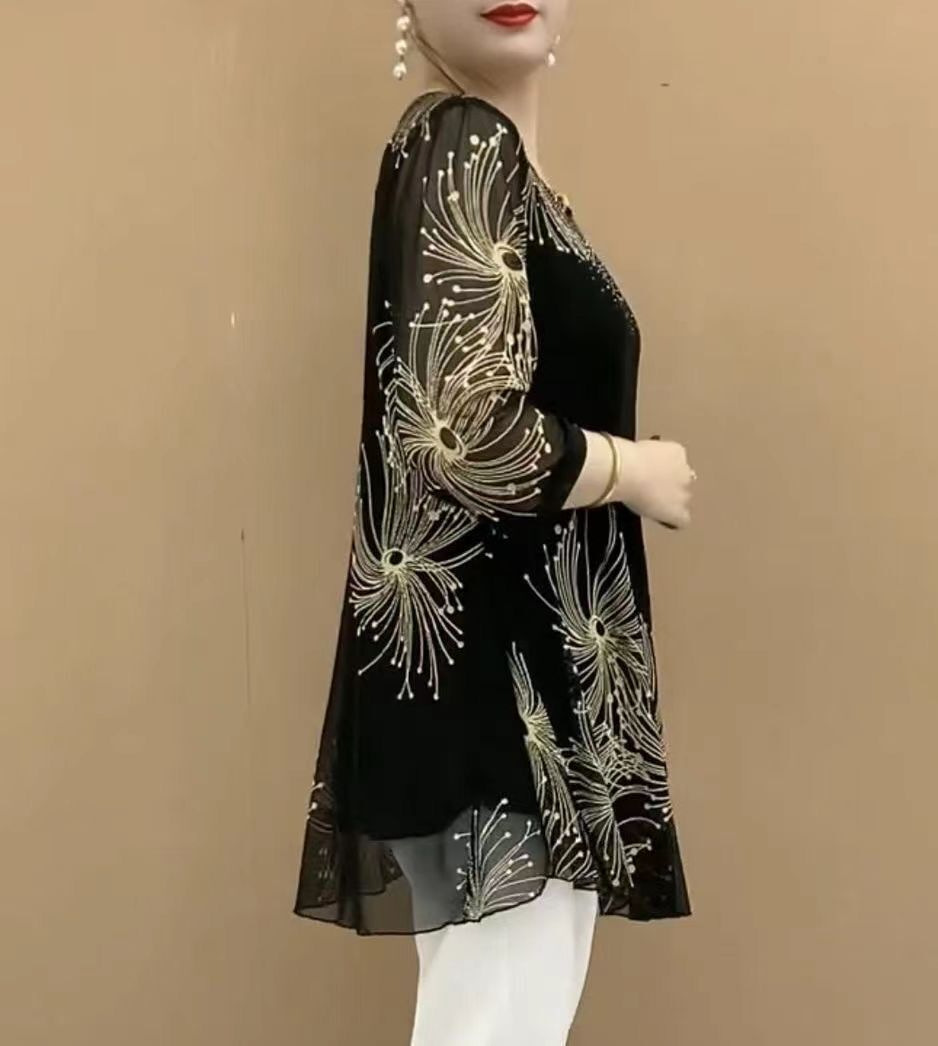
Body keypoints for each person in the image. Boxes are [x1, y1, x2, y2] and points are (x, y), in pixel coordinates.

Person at [293, 2, 695, 1042]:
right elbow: (464, 431)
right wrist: (634, 470)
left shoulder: (508, 171)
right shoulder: (461, 138)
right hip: (492, 697)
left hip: (513, 695)